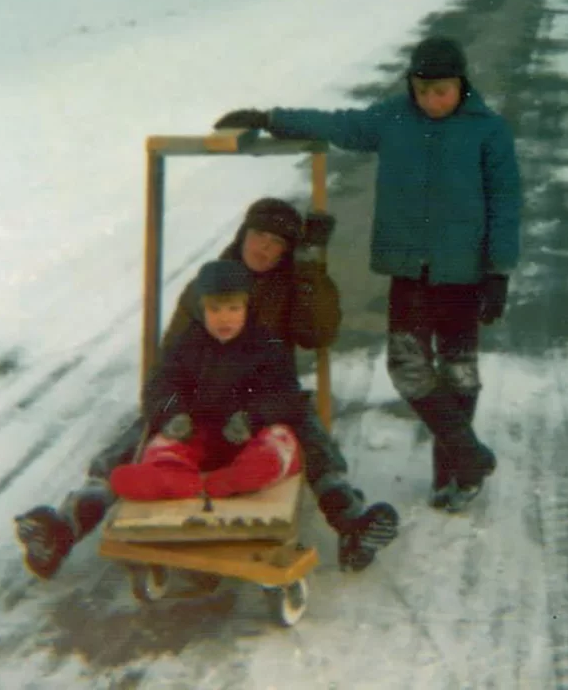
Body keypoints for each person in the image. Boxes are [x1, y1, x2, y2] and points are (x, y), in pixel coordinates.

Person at [214, 36, 522, 511]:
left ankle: (454, 477)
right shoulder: (393, 118)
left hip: (465, 273)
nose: (432, 101)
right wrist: (269, 119)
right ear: (411, 86)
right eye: (423, 91)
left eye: (442, 91)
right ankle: (468, 453)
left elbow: (506, 204)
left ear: (462, 84)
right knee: (407, 368)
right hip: (409, 271)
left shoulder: (489, 131)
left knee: (459, 374)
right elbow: (338, 124)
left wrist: (499, 272)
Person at [15, 197, 398, 578]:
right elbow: (168, 366)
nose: (264, 247)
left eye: (276, 242)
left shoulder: (292, 284)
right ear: (243, 234)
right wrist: (170, 410)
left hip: (260, 397)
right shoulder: (209, 283)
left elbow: (317, 334)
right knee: (139, 435)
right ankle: (65, 526)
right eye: (258, 235)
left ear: (287, 250)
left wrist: (311, 265)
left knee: (305, 428)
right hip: (199, 397)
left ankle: (351, 521)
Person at [109, 260, 305, 501]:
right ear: (201, 311)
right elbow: (161, 385)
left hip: (250, 435)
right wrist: (173, 414)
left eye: (233, 309)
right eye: (215, 309)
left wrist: (253, 418)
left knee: (280, 438)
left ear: (247, 308)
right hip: (200, 433)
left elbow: (284, 393)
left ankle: (247, 474)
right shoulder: (186, 344)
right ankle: (169, 477)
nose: (225, 319)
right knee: (164, 442)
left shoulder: (267, 345)